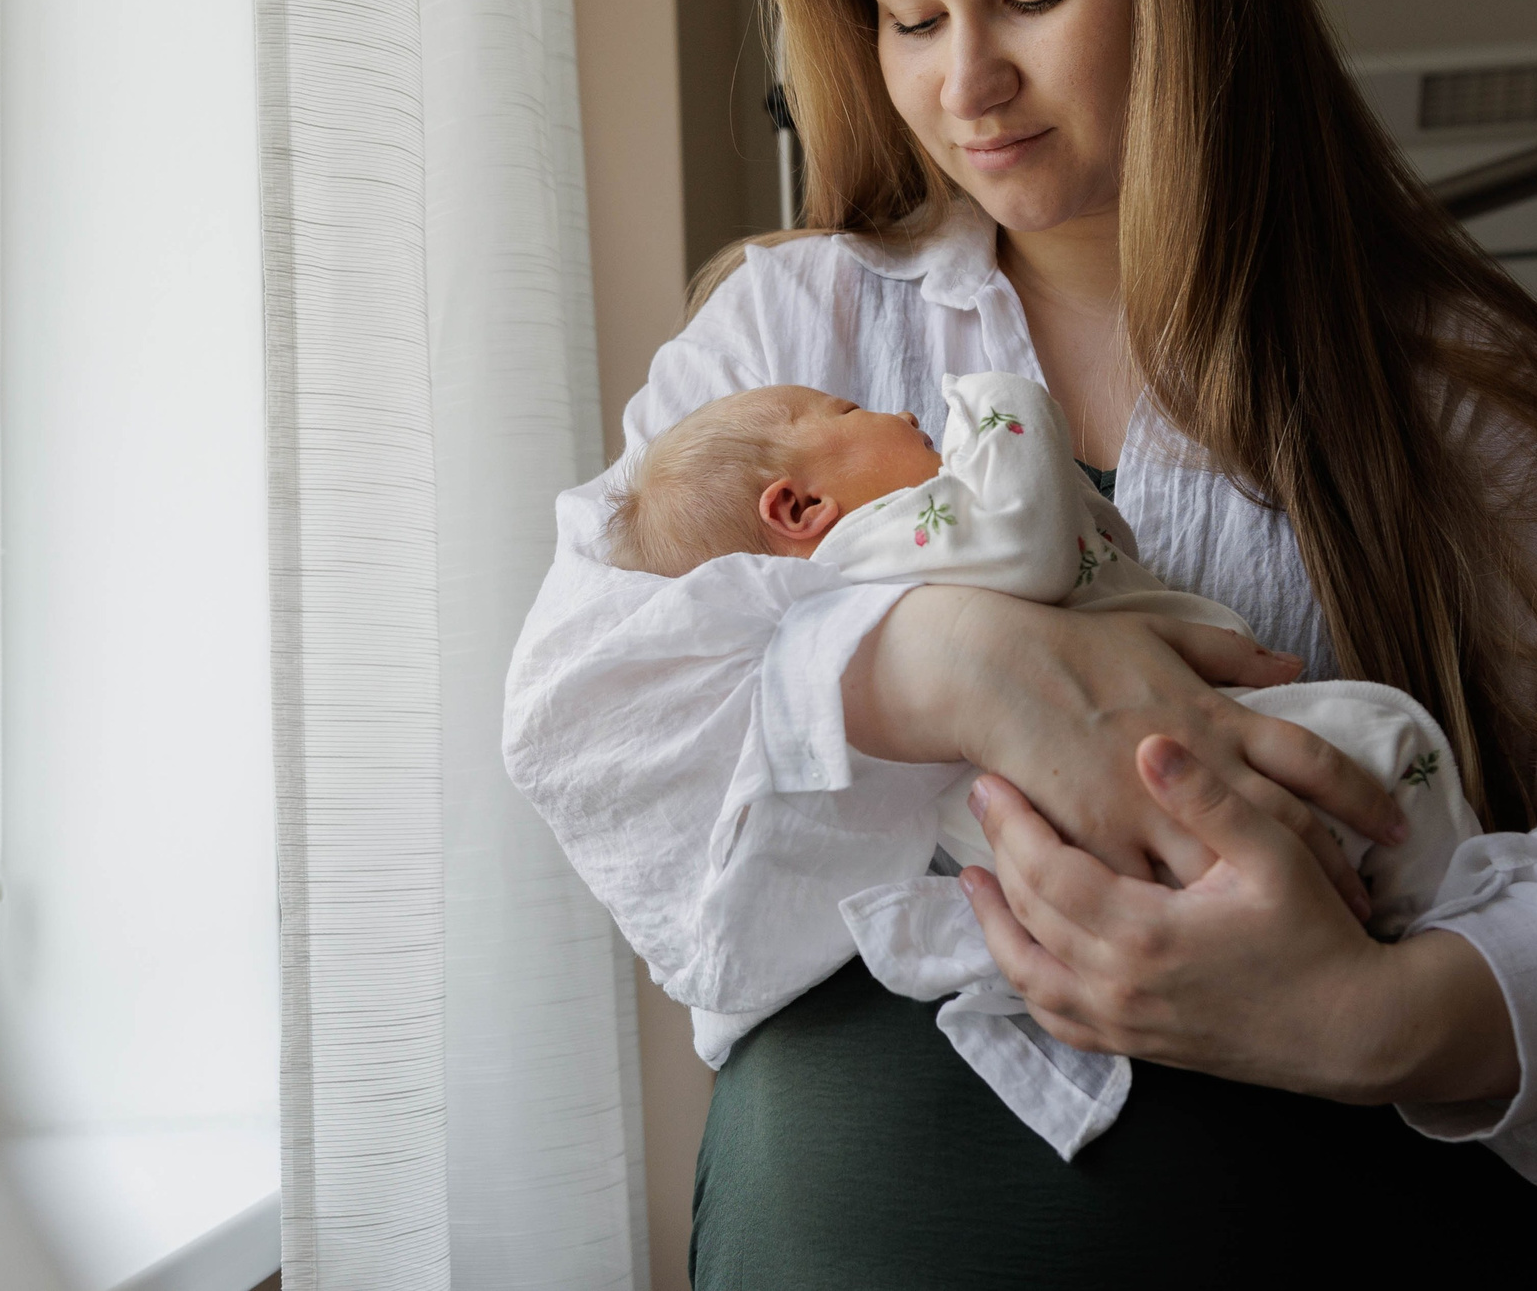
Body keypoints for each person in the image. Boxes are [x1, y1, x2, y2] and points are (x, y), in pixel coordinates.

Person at [502, 0, 1537, 1289]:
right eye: (910, 18)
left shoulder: (1448, 391)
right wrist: (933, 657)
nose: (964, 84)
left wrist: (1369, 1012)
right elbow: (582, 709)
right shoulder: (795, 334)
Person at [601, 368, 1480, 1161]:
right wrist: (1002, 399)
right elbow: (1031, 538)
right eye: (849, 409)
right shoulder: (881, 546)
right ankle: (1449, 913)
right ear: (800, 510)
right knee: (1386, 748)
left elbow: (1089, 539)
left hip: (1100, 835)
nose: (897, 405)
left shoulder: (884, 582)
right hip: (1157, 784)